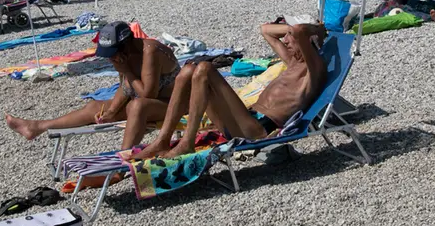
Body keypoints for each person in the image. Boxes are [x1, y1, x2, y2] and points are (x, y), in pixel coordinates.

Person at [126, 22, 327, 160]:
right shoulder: (292, 62)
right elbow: (265, 30)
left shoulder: (314, 69)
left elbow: (300, 30)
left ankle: (186, 142)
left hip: (258, 131)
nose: (285, 40)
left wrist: (315, 29)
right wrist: (292, 31)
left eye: (290, 38)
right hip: (242, 120)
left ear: (308, 41)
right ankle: (162, 140)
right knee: (188, 70)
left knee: (205, 68)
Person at [6, 22, 181, 179]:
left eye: (113, 54)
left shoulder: (150, 51)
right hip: (150, 103)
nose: (111, 59)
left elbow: (147, 95)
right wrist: (111, 112)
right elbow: (126, 87)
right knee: (96, 106)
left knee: (138, 106)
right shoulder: (125, 55)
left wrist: (126, 70)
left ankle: (120, 167)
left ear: (126, 44)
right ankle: (37, 127)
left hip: (174, 105)